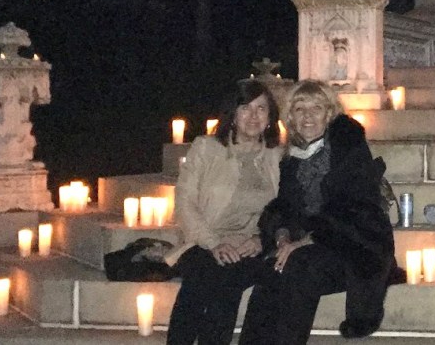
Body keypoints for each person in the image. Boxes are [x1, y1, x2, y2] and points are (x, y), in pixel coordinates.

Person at [241, 80, 395, 344]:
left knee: (299, 268)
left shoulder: (347, 146)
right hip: (312, 247)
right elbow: (284, 207)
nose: (308, 116)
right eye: (300, 109)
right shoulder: (292, 157)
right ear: (291, 116)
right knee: (270, 271)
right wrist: (282, 236)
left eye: (316, 108)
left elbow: (357, 210)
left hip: (356, 246)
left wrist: (304, 241)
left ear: (329, 113)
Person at [165, 81, 282, 345]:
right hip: (203, 240)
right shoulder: (206, 148)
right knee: (207, 275)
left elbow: (283, 210)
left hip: (252, 245)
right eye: (246, 107)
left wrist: (262, 240)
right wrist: (214, 243)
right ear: (233, 113)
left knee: (228, 277)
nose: (253, 116)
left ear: (270, 117)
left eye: (261, 108)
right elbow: (185, 201)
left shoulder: (277, 155)